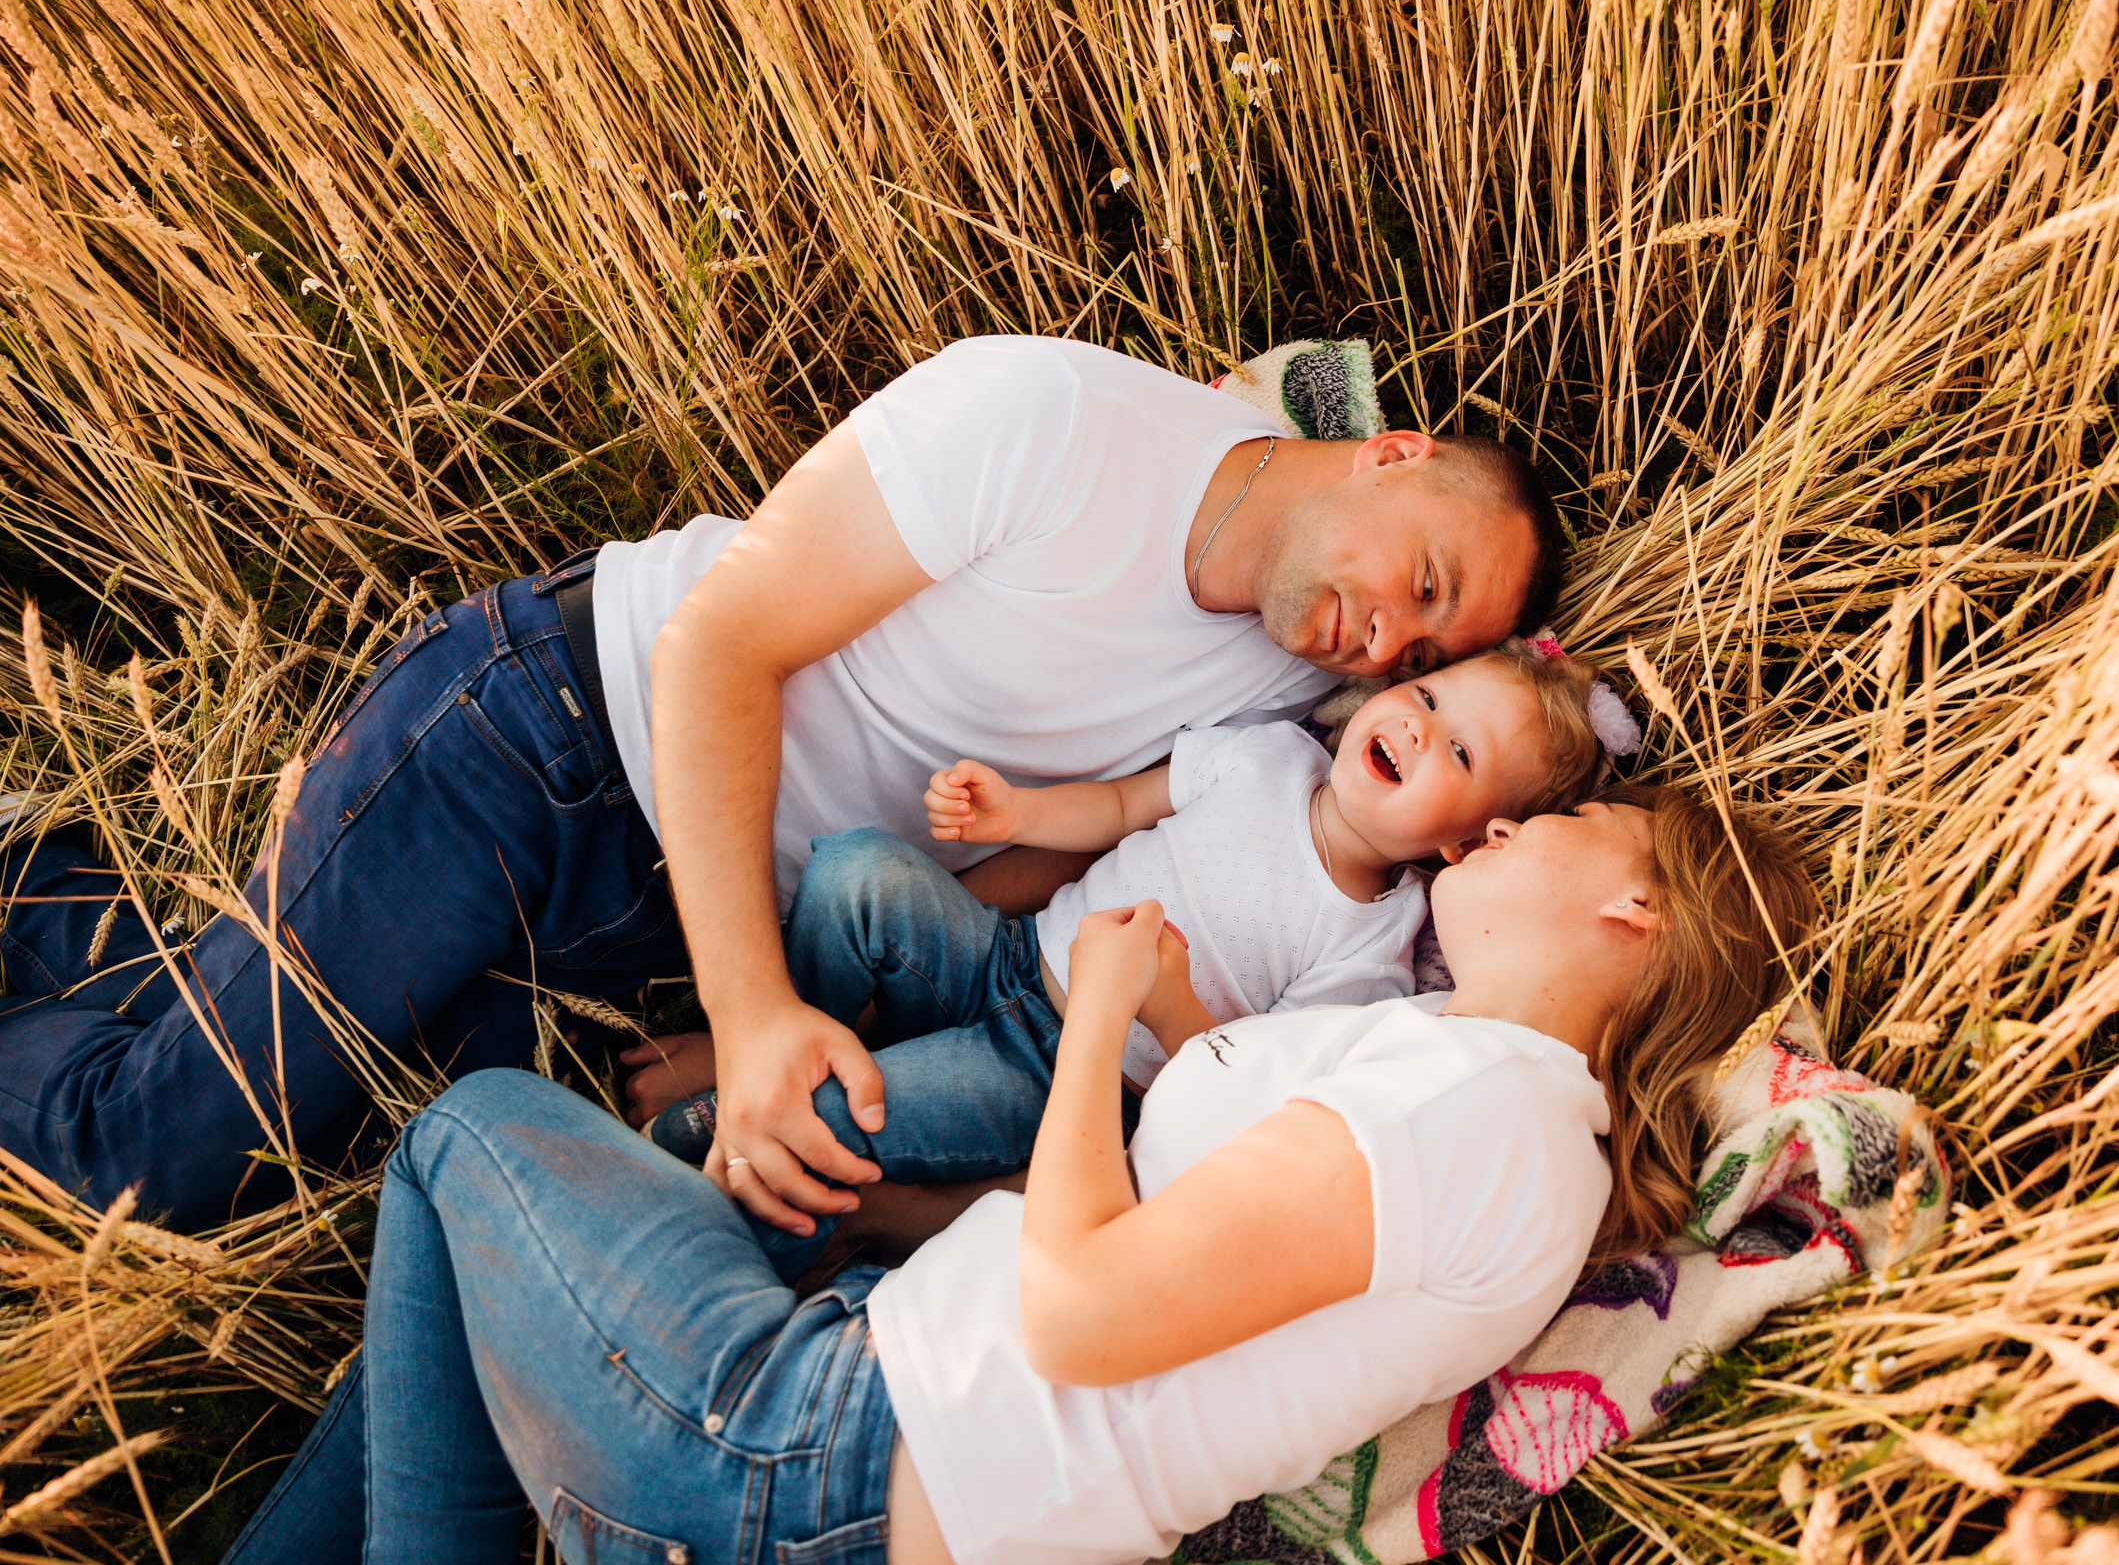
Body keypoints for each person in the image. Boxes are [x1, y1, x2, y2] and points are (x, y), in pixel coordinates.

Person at [0, 336, 1567, 1231]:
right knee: (145, 1159)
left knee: (315, 1126)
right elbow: (718, 644)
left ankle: (36, 885)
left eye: (1434, 642)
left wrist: (782, 1011)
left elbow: (1085, 864)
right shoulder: (1051, 420)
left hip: (679, 906)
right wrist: (752, 1015)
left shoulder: (1304, 697)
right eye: (1423, 577)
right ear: (1390, 450)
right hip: (551, 736)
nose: (1393, 636)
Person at [219, 786, 1818, 1565]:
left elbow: (1077, 1314)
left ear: (1637, 910)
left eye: (1571, 814)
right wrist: (1178, 1026)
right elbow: (1178, 1239)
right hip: (874, 1449)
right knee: (537, 1219)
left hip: (826, 1458)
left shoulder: (1486, 1112)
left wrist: (1098, 1015)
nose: (1513, 818)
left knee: (469, 1133)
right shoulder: (1459, 1081)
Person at [641, 643, 1632, 1266]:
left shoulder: (1368, 946)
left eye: (1459, 752)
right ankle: (778, 1039)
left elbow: (1235, 1084)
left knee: (846, 1121)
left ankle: (708, 1216)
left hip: (1060, 1071)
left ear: (1465, 845)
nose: (1420, 725)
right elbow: (1121, 806)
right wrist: (1017, 813)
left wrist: (1164, 999)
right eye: (1428, 692)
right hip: (1006, 955)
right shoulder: (1267, 755)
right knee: (857, 873)